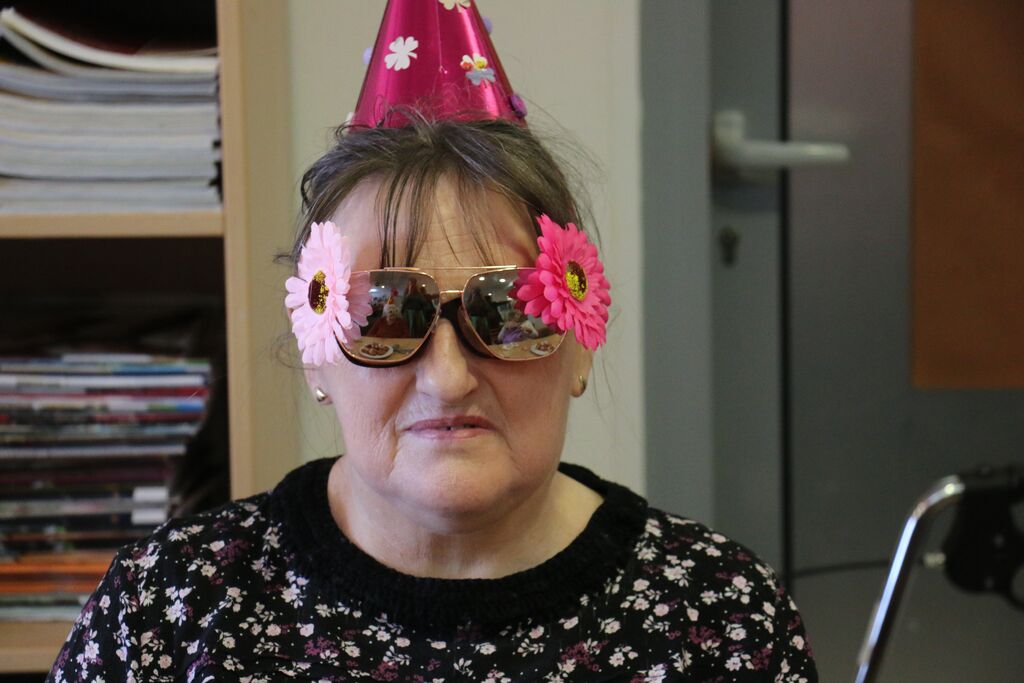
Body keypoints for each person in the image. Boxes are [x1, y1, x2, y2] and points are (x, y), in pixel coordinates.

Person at [49, 1, 817, 681]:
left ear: (580, 339)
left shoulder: (722, 619)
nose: (447, 378)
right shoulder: (167, 611)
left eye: (506, 310)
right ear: (318, 351)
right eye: (387, 314)